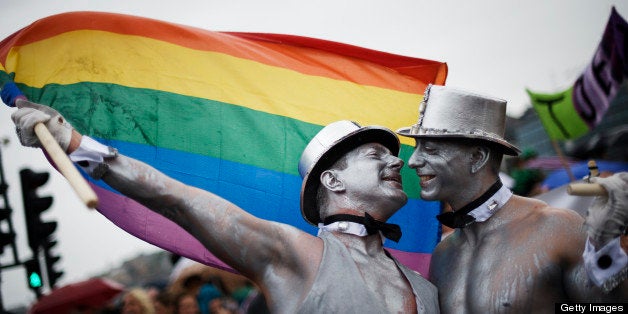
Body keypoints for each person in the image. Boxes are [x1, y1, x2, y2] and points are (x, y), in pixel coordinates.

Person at [6, 88, 439, 313]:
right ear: (332, 179)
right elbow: (179, 199)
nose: (395, 163)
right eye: (374, 154)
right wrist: (74, 141)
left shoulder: (428, 283)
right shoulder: (295, 254)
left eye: (392, 154)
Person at [396, 84, 628, 313]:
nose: (414, 160)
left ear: (477, 157)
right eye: (417, 147)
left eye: (431, 150)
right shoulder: (443, 253)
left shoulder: (560, 228)